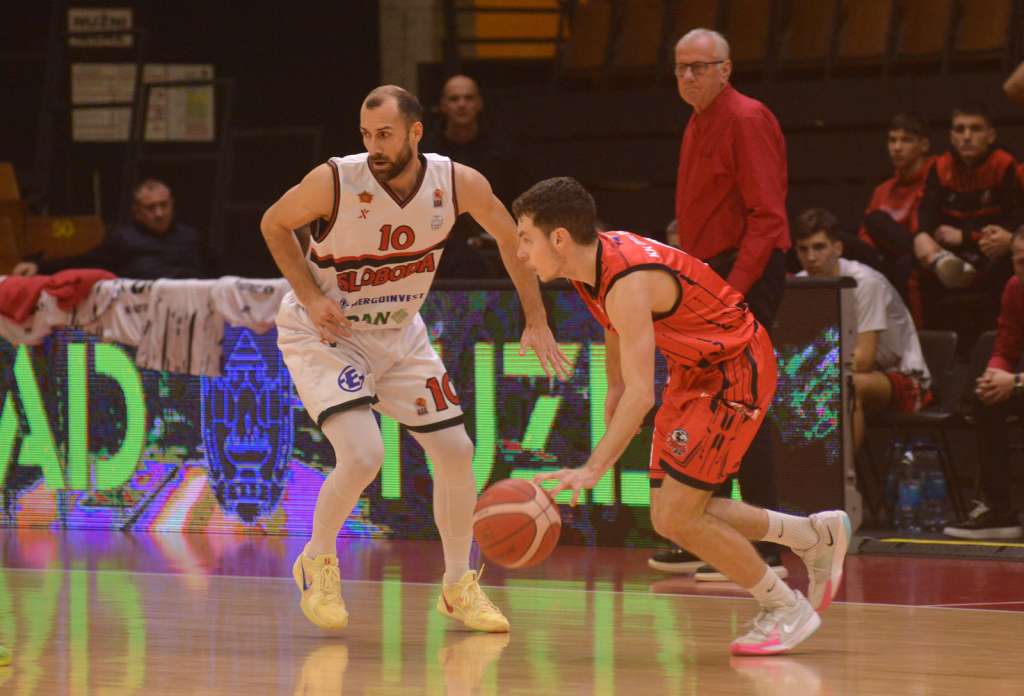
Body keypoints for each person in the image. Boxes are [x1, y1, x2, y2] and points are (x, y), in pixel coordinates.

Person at [260, 85, 570, 633]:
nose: (374, 146)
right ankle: (317, 560)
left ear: (415, 132)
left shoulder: (457, 182)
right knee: (363, 455)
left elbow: (511, 239)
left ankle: (457, 585)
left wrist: (536, 317)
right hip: (327, 334)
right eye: (366, 135)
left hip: (401, 335)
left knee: (456, 450)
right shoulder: (334, 180)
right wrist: (309, 295)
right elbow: (273, 222)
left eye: (385, 134)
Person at [514, 176, 851, 656]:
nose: (521, 253)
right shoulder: (593, 264)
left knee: (678, 515)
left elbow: (641, 397)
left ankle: (784, 606)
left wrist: (593, 468)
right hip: (695, 371)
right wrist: (613, 386)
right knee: (671, 515)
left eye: (526, 238)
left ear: (560, 238)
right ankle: (810, 535)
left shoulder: (627, 280)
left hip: (734, 368)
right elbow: (616, 334)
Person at [653, 28, 789, 578]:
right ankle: (702, 532)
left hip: (740, 273)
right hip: (711, 274)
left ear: (725, 69)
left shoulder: (746, 118)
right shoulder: (699, 119)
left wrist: (733, 290)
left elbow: (767, 217)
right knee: (707, 400)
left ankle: (765, 548)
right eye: (681, 67)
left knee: (740, 400)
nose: (688, 76)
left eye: (700, 67)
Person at [795, 208, 932, 452]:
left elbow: (864, 360)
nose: (811, 257)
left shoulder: (865, 283)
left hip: (902, 378)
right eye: (803, 249)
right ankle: (800, 466)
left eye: (819, 247)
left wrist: (810, 370)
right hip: (836, 373)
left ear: (838, 248)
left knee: (844, 385)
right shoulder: (799, 283)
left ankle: (842, 471)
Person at [944, 230, 1024, 540]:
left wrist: (1013, 381)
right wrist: (993, 377)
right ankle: (1000, 511)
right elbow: (1006, 347)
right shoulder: (1015, 288)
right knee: (987, 401)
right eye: (1020, 262)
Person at [913, 105, 1017, 343]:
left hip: (990, 249)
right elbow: (927, 217)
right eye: (960, 130)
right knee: (912, 259)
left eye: (975, 129)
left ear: (990, 135)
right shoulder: (940, 166)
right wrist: (922, 236)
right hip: (949, 253)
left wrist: (966, 236)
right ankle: (929, 348)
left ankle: (995, 345)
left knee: (1002, 266)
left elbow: (1013, 222)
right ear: (951, 136)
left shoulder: (1005, 165)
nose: (967, 136)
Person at [420, 74, 531, 279]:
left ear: (479, 104)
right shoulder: (425, 153)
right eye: (454, 99)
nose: (462, 104)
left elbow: (521, 202)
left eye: (468, 98)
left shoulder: (503, 152)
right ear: (443, 105)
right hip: (442, 250)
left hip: (497, 244)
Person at [12, 179, 217, 279]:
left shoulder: (192, 237)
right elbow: (83, 263)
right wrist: (39, 267)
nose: (159, 213)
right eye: (151, 207)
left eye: (164, 205)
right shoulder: (122, 240)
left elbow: (218, 276)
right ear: (137, 212)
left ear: (172, 205)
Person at [856, 113, 933, 320]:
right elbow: (864, 236)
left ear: (924, 145)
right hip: (883, 259)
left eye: (906, 140)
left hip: (918, 257)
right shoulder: (882, 190)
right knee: (841, 243)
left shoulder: (934, 180)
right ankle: (837, 332)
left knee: (877, 221)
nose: (897, 147)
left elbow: (921, 229)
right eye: (892, 140)